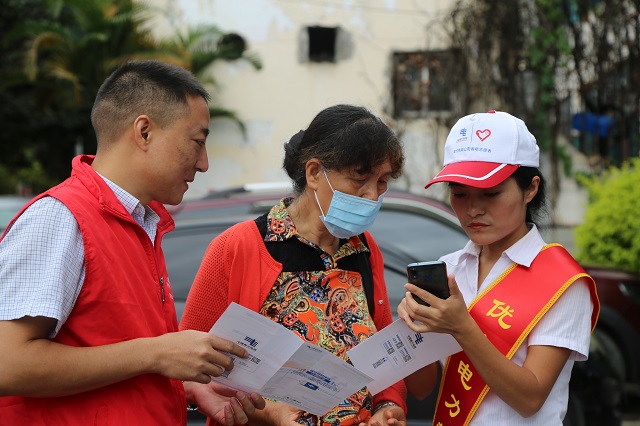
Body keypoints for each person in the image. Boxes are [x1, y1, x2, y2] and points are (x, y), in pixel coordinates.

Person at [0, 60, 265, 425]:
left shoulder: (140, 224)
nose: (203, 164)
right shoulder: (60, 218)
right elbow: (8, 365)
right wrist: (156, 354)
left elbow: (111, 356)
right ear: (144, 132)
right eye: (198, 142)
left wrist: (184, 387)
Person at [180, 104, 409, 426]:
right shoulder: (239, 246)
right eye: (360, 178)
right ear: (315, 173)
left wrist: (388, 405)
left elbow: (384, 352)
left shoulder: (364, 249)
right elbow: (189, 367)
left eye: (382, 181)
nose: (372, 195)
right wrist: (271, 413)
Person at [399, 110, 600, 425]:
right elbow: (422, 388)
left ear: (530, 189)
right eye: (459, 194)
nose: (473, 209)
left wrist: (462, 327)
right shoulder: (449, 268)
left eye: (491, 193)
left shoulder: (564, 282)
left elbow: (530, 398)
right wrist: (410, 331)